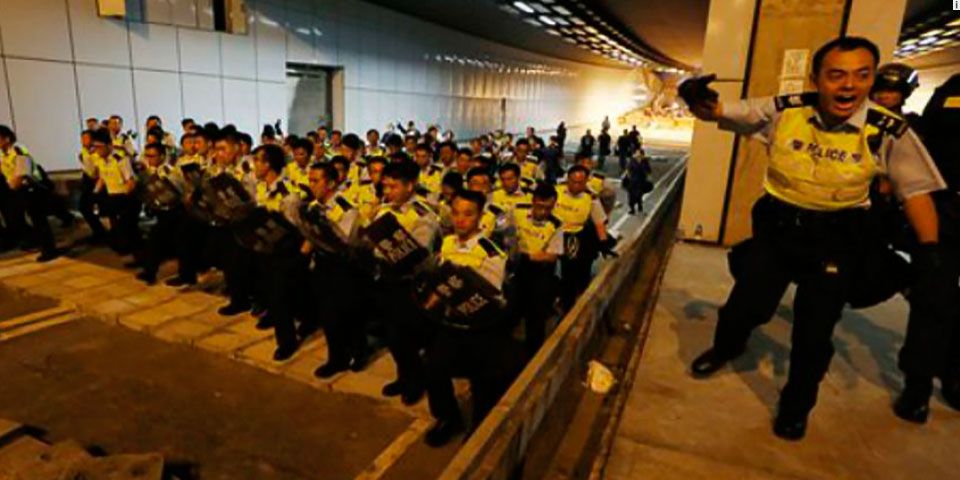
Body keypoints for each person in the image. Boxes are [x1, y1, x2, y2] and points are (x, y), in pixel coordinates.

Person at [680, 37, 947, 440]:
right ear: (816, 78)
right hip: (779, 228)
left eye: (861, 75)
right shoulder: (786, 110)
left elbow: (916, 192)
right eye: (836, 75)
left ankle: (795, 405)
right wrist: (698, 99)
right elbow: (719, 110)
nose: (848, 87)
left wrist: (929, 252)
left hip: (838, 237)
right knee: (746, 303)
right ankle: (727, 346)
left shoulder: (888, 129)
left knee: (813, 331)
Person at [422, 189, 519, 447]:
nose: (460, 219)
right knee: (434, 369)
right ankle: (447, 418)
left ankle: (479, 427)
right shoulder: (448, 243)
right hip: (450, 323)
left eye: (468, 214)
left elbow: (493, 296)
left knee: (483, 381)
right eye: (455, 213)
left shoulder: (491, 252)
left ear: (480, 217)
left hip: (480, 327)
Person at [369, 161, 441, 405]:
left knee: (407, 337)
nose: (388, 191)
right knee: (392, 336)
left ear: (410, 186)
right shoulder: (384, 209)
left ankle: (415, 381)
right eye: (385, 186)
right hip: (385, 279)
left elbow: (416, 254)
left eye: (394, 186)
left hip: (409, 283)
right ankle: (403, 376)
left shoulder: (423, 215)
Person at [297, 162, 368, 377]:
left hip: (344, 267)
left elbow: (344, 242)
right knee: (328, 314)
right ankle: (336, 358)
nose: (312, 185)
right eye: (310, 180)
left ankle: (359, 351)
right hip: (322, 265)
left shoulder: (346, 209)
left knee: (349, 313)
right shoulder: (312, 207)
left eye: (316, 181)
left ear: (330, 183)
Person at [512, 183, 564, 353]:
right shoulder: (517, 211)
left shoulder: (556, 224)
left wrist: (528, 256)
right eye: (540, 207)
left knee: (536, 315)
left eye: (548, 208)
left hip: (539, 271)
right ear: (533, 201)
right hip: (515, 268)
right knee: (512, 309)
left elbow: (552, 255)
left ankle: (533, 351)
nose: (543, 212)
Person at [555, 165, 614, 310]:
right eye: (573, 181)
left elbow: (599, 222)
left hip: (574, 237)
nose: (576, 186)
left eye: (580, 182)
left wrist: (604, 243)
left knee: (569, 271)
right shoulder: (556, 191)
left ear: (586, 182)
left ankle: (568, 304)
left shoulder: (591, 199)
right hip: (554, 235)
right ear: (567, 179)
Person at [0, 125, 60, 261]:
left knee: (39, 219)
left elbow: (24, 171)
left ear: (7, 139)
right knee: (15, 217)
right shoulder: (2, 154)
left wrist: (14, 184)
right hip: (17, 190)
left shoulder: (19, 150)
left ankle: (50, 249)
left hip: (32, 188)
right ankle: (35, 239)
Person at [91, 128, 141, 256]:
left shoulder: (120, 159)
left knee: (128, 230)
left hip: (126, 199)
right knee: (116, 233)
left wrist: (125, 199)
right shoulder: (99, 160)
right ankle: (131, 252)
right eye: (94, 146)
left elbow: (130, 182)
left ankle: (139, 255)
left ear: (109, 145)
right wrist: (95, 193)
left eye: (99, 147)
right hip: (112, 198)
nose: (97, 150)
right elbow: (102, 178)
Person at [78, 129, 108, 244]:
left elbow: (99, 170)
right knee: (84, 208)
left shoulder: (97, 152)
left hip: (98, 182)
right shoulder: (85, 151)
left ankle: (102, 234)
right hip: (88, 181)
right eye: (82, 138)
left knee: (90, 208)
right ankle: (99, 232)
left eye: (86, 138)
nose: (83, 141)